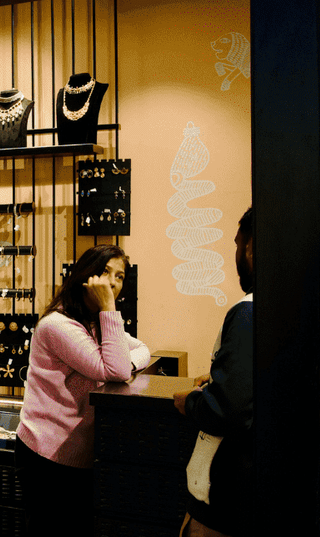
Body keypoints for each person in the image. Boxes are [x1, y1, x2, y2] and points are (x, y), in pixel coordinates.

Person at [17, 243, 150, 532]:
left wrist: (124, 360)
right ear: (85, 276)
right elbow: (115, 370)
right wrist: (109, 307)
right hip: (47, 455)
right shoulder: (58, 325)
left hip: (79, 452)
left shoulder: (96, 323)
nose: (112, 283)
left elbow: (143, 349)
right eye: (105, 272)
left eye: (120, 276)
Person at [174, 208, 256, 537]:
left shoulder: (247, 313)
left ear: (250, 248)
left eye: (237, 244)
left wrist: (192, 402)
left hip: (228, 494)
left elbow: (228, 408)